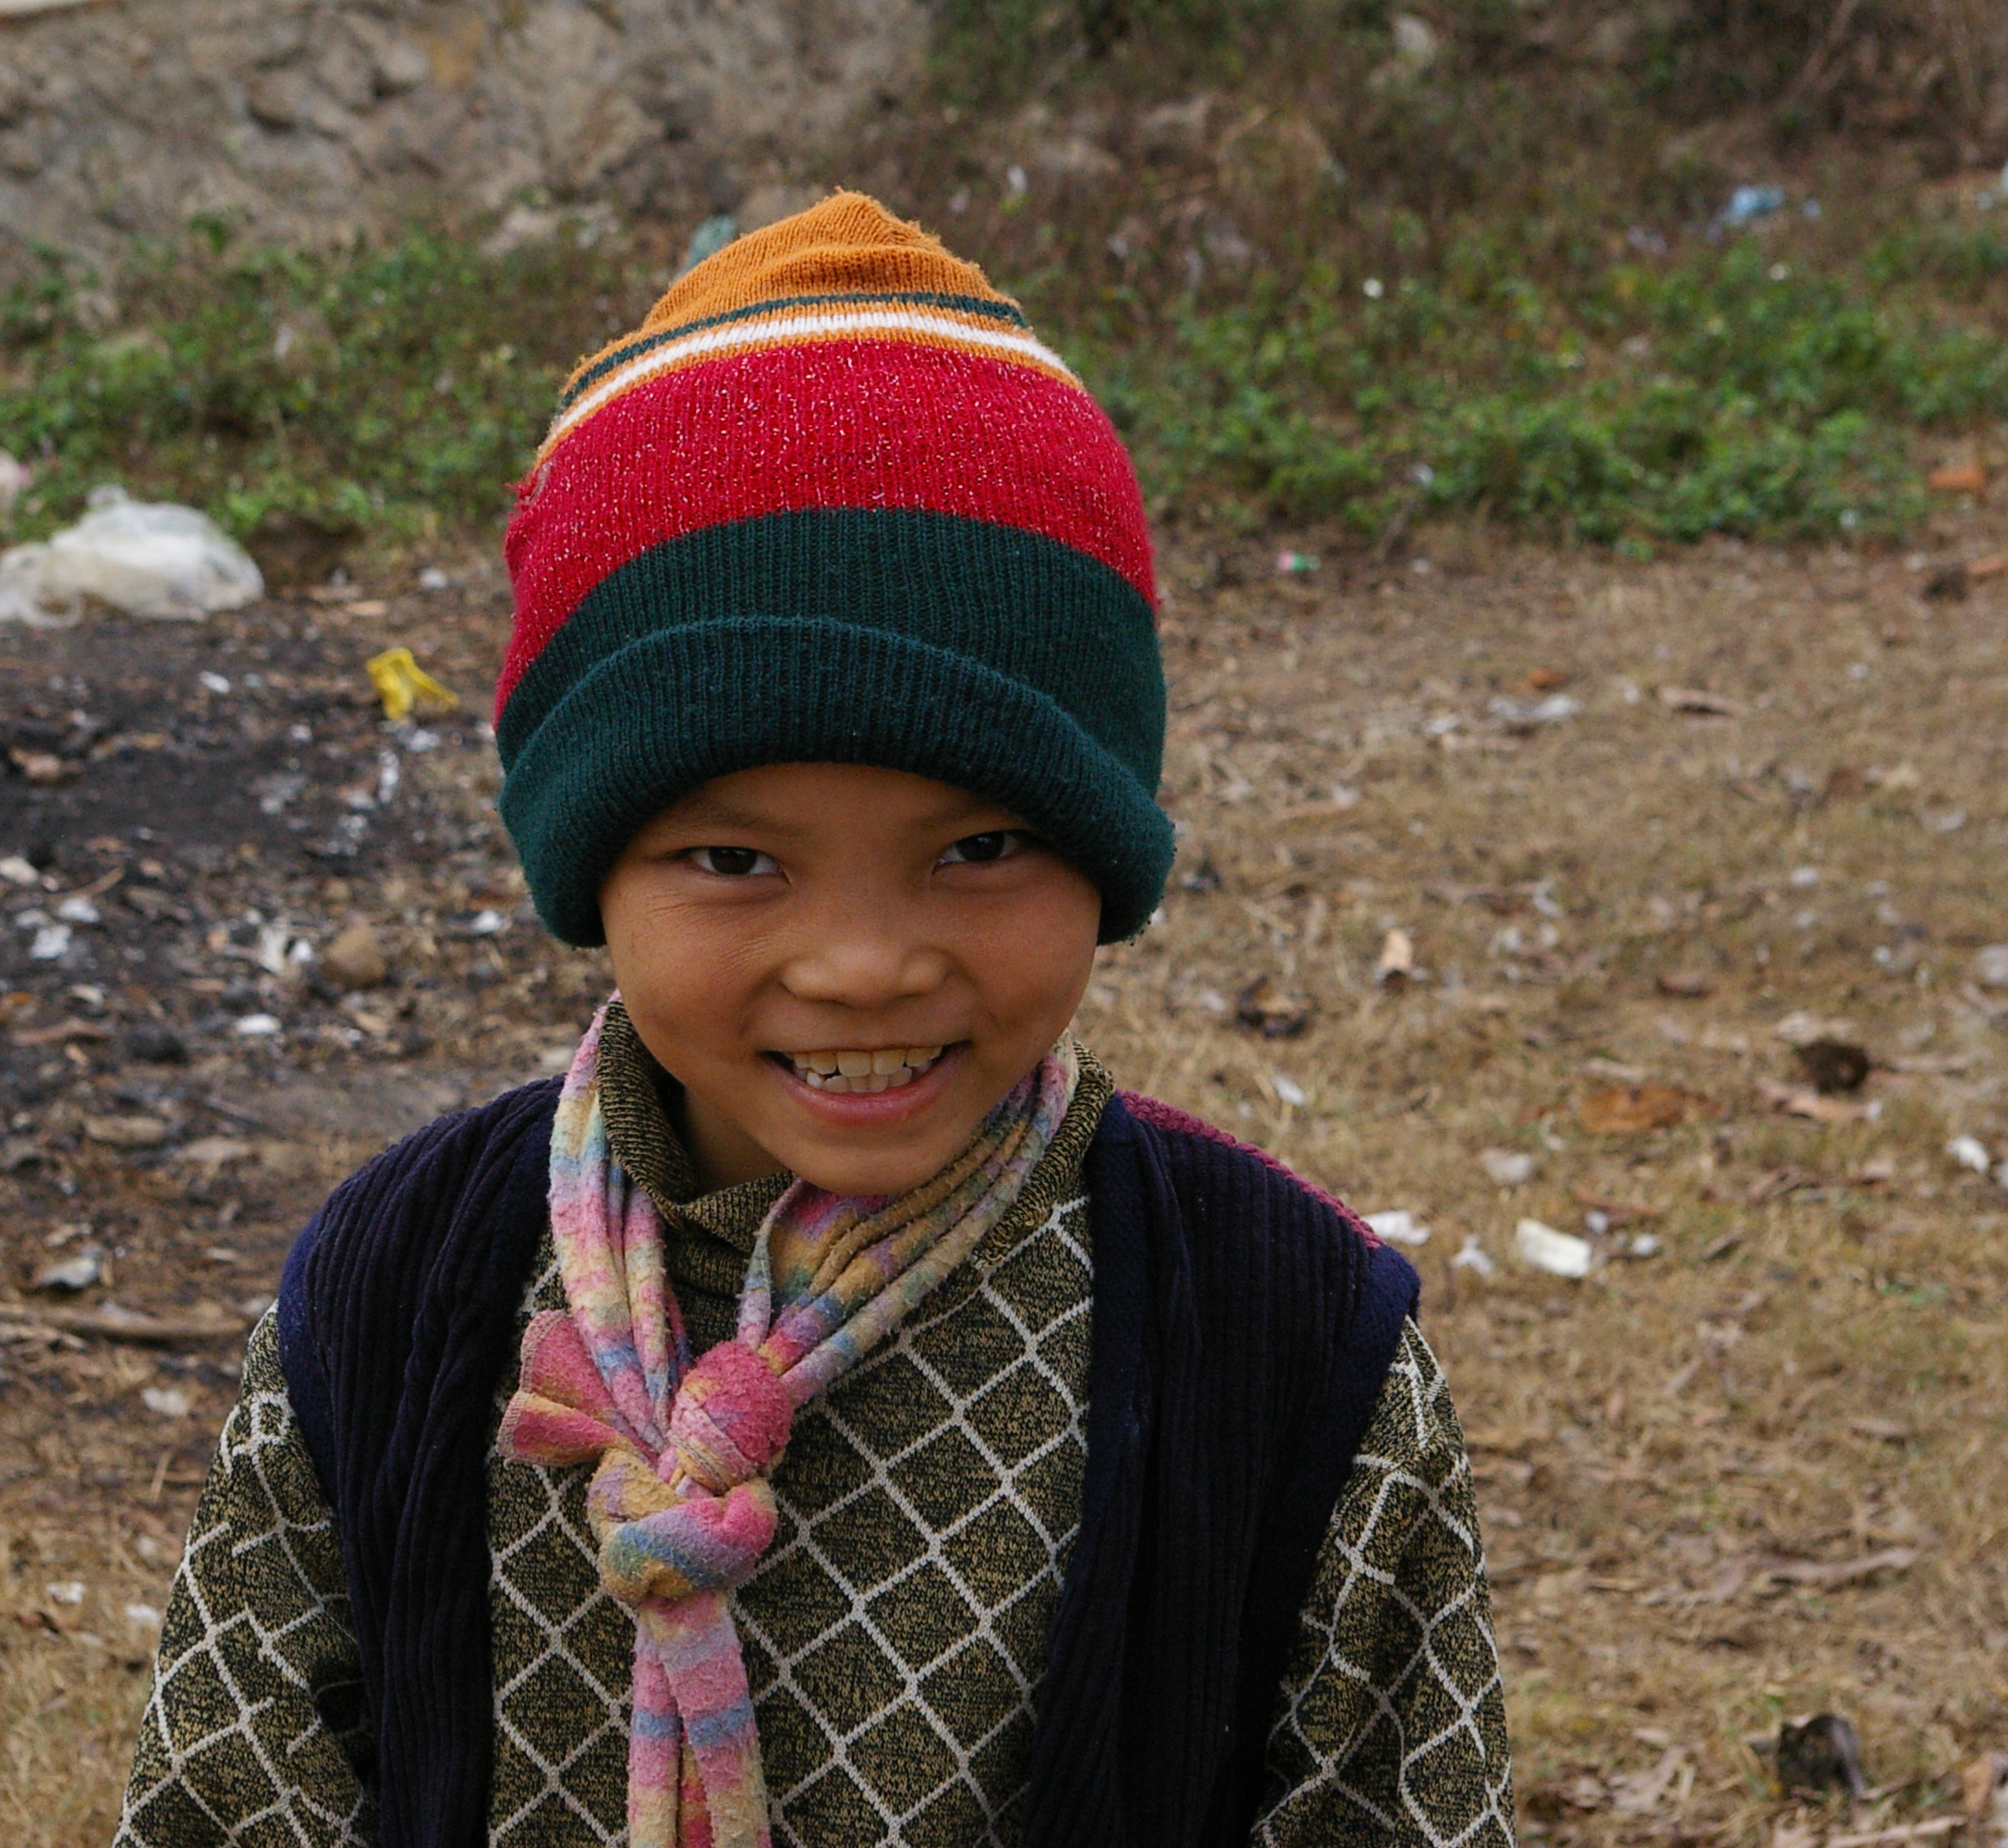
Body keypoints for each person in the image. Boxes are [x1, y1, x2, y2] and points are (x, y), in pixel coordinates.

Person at [114, 192, 1511, 1848]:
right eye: (734, 861)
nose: (861, 966)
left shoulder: (1289, 1348)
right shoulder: (395, 1297)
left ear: (1108, 850)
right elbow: (227, 1800)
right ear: (589, 866)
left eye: (981, 848)